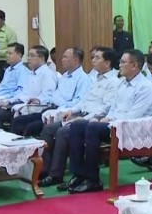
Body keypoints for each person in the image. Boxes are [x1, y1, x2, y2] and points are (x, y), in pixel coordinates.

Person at [66, 49, 152, 193]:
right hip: (114, 124)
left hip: (131, 129)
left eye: (123, 62)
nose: (119, 65)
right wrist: (107, 117)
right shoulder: (122, 83)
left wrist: (109, 122)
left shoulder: (145, 87)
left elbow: (133, 116)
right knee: (77, 125)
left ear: (134, 65)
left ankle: (93, 180)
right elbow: (114, 107)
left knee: (93, 127)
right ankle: (79, 174)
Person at [38, 48, 120, 188]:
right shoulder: (96, 78)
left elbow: (106, 108)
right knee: (48, 129)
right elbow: (84, 100)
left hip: (94, 119)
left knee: (63, 132)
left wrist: (84, 118)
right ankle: (44, 170)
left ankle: (57, 174)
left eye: (97, 58)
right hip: (82, 114)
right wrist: (72, 111)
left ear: (107, 63)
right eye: (93, 57)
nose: (93, 60)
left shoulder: (113, 82)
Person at [9, 47, 90, 136]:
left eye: (66, 57)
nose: (62, 60)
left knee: (32, 127)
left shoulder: (83, 79)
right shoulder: (65, 76)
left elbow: (79, 101)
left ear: (75, 60)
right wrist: (40, 100)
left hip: (63, 112)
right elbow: (53, 96)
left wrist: (59, 109)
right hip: (50, 107)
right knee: (18, 121)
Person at [0, 45, 58, 129]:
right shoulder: (31, 73)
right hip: (20, 104)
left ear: (42, 58)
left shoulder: (47, 74)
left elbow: (49, 96)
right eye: (28, 55)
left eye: (32, 56)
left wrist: (38, 100)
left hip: (33, 107)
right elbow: (22, 93)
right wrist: (9, 101)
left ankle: (2, 136)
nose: (28, 58)